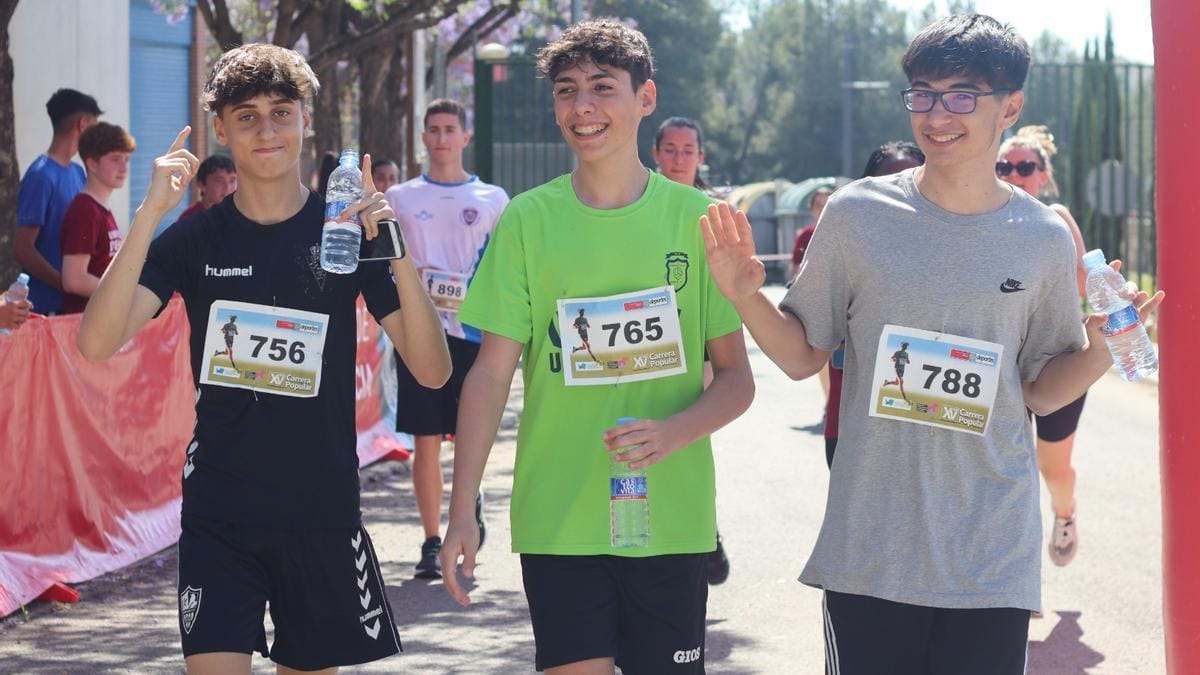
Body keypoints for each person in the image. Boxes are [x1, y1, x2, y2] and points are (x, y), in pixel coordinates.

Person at [701, 14, 1163, 673]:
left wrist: (1098, 350)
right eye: (922, 92)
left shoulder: (1041, 238)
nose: (937, 114)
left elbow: (1039, 387)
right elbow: (803, 355)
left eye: (961, 95)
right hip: (872, 554)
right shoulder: (856, 214)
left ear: (1012, 105)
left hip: (991, 557)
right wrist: (744, 294)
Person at [76, 43, 451, 674]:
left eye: (282, 112)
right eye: (246, 116)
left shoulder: (345, 235)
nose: (267, 130)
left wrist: (393, 249)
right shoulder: (195, 238)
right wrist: (149, 212)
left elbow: (433, 370)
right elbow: (95, 343)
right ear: (221, 128)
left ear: (306, 120)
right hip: (220, 513)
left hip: (320, 511)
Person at [439, 19, 754, 674]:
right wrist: (461, 508)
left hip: (669, 520)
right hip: (559, 518)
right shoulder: (528, 220)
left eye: (602, 88)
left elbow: (735, 378)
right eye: (566, 90)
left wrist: (674, 431)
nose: (582, 108)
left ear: (645, 98)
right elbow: (489, 375)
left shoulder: (700, 221)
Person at [383, 98, 509, 580]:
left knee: (468, 434)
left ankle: (468, 500)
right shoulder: (400, 196)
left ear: (465, 137)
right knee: (425, 439)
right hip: (419, 334)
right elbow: (385, 259)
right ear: (423, 137)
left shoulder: (493, 199)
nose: (440, 138)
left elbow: (503, 267)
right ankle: (431, 539)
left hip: (474, 333)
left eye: (449, 129)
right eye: (432, 129)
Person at [998, 124, 1089, 566]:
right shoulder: (983, 217)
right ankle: (1018, 574)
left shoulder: (1057, 216)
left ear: (1043, 174)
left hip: (1057, 362)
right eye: (1004, 166)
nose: (1014, 174)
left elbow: (1082, 280)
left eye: (1024, 166)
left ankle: (1065, 514)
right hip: (1000, 362)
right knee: (1004, 468)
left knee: (1051, 468)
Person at [651, 114, 733, 586]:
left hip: (699, 342)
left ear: (700, 157)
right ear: (657, 154)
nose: (680, 158)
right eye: (672, 149)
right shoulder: (638, 204)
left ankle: (705, 531)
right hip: (645, 343)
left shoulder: (715, 212)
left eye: (689, 150)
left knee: (689, 436)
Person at [822, 141, 925, 468]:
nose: (901, 191)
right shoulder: (844, 248)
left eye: (911, 178)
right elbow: (803, 344)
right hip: (854, 432)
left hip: (933, 433)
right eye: (889, 181)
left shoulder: (958, 255)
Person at [16, 88, 102, 316]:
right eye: (95, 127)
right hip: (45, 310)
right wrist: (65, 284)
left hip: (75, 308)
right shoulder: (41, 176)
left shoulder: (78, 172)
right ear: (83, 124)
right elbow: (23, 248)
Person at [58, 122, 135, 314]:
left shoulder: (101, 208)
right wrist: (125, 295)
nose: (124, 167)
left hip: (101, 321)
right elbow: (73, 280)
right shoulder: (85, 210)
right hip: (82, 325)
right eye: (116, 159)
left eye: (126, 159)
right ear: (92, 164)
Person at [176, 155, 238, 222]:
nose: (227, 188)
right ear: (202, 185)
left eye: (232, 181)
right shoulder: (190, 218)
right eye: (219, 181)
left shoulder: (239, 216)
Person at [788, 187, 832, 281]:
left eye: (827, 205)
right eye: (818, 205)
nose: (822, 209)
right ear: (811, 208)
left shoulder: (844, 233)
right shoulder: (805, 235)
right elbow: (795, 264)